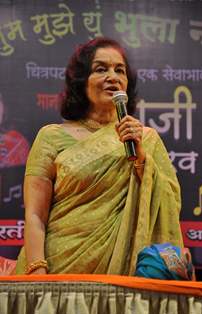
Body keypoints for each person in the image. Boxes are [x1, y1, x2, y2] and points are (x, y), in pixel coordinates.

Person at [15, 37, 183, 275]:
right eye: (101, 69)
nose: (113, 77)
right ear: (82, 81)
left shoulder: (145, 139)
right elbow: (34, 214)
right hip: (56, 270)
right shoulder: (51, 137)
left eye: (120, 70)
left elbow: (168, 202)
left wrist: (142, 161)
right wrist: (37, 269)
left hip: (121, 276)